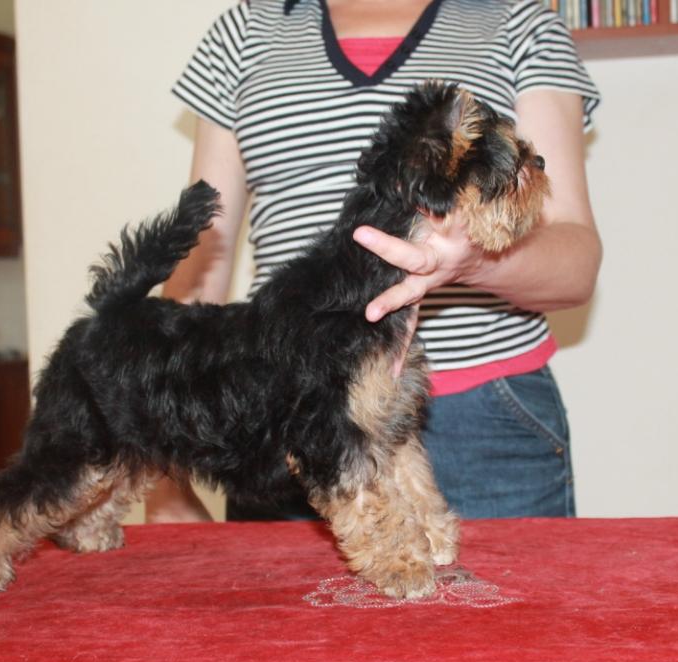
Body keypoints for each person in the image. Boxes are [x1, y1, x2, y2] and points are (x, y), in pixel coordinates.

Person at [146, 0, 601, 523]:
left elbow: (576, 263)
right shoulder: (244, 30)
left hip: (486, 416)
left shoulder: (519, 20)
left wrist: (471, 263)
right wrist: (164, 465)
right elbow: (206, 245)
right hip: (287, 402)